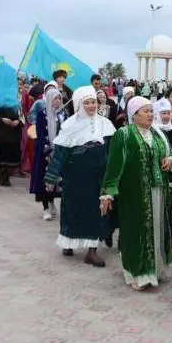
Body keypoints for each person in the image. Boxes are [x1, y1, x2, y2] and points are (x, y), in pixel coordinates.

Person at [99, 97, 172, 289]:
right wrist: (108, 193)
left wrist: (169, 160)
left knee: (157, 228)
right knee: (136, 231)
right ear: (134, 115)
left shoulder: (158, 133)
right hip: (134, 193)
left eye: (152, 111)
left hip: (158, 192)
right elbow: (114, 166)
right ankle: (138, 272)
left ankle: (155, 269)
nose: (150, 115)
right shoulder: (124, 135)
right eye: (145, 111)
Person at [44, 86, 116, 267]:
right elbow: (59, 154)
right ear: (79, 104)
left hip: (98, 179)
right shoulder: (69, 126)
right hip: (75, 179)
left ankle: (92, 251)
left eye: (94, 102)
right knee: (73, 211)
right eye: (87, 103)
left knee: (96, 212)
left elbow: (112, 151)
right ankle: (68, 242)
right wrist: (51, 177)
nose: (92, 106)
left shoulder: (105, 124)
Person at [29, 85, 65, 220]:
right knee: (44, 179)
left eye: (59, 99)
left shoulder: (63, 114)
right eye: (55, 99)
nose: (57, 101)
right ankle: (46, 208)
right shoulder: (42, 114)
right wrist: (48, 149)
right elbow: (40, 133)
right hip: (45, 152)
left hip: (60, 152)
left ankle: (52, 203)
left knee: (58, 180)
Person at [0, 102, 23, 186]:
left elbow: (23, 119)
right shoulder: (0, 105)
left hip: (14, 135)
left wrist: (18, 122)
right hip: (3, 135)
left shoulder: (17, 106)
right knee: (3, 157)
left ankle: (7, 175)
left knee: (12, 158)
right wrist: (3, 119)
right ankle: (3, 176)